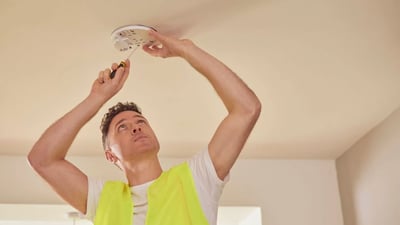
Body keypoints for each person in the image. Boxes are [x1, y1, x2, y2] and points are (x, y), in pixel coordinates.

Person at [28, 30, 261, 225]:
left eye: (141, 122)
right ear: (110, 155)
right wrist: (97, 98)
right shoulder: (102, 199)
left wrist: (187, 50)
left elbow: (246, 108)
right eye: (122, 127)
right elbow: (42, 159)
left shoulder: (197, 180)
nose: (136, 128)